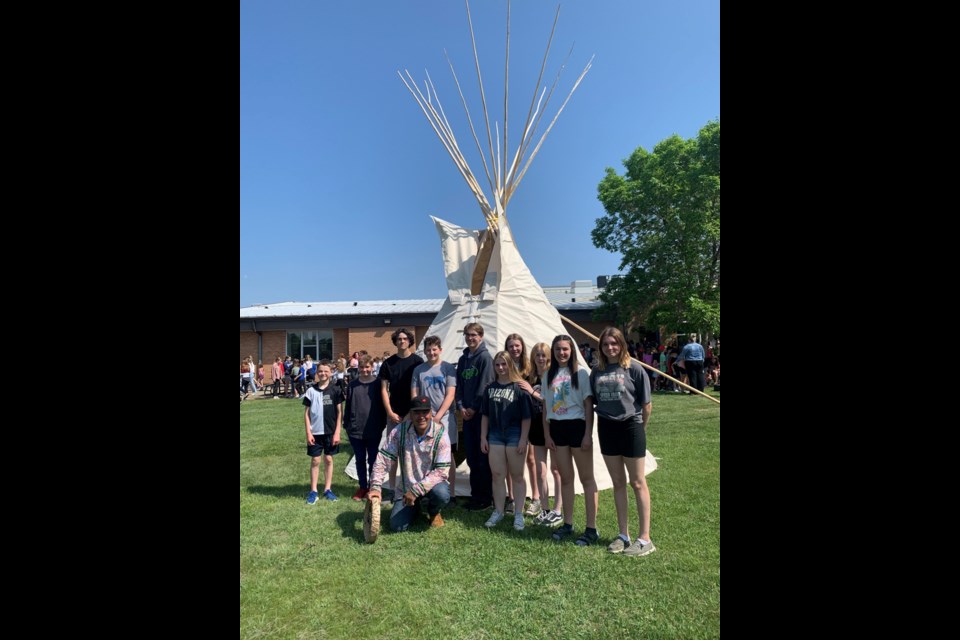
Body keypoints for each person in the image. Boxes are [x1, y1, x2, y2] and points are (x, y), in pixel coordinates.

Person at [591, 327, 656, 557]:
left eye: (614, 343)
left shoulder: (634, 368)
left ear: (622, 344)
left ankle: (645, 538)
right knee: (618, 482)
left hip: (631, 427)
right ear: (601, 347)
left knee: (637, 482)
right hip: (607, 427)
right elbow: (594, 401)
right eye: (606, 344)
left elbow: (646, 405)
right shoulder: (596, 372)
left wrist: (640, 428)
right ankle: (623, 535)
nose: (610, 348)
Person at [543, 334, 598, 545]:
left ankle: (591, 528)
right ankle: (567, 523)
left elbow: (588, 406)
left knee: (587, 479)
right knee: (566, 478)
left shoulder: (581, 374)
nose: (561, 353)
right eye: (557, 349)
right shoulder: (548, 374)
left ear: (571, 350)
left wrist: (587, 434)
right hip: (557, 428)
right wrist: (547, 434)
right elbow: (546, 407)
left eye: (565, 349)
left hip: (577, 426)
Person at [368, 395, 452, 531]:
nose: (421, 416)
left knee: (441, 493)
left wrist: (416, 490)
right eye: (416, 412)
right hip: (406, 489)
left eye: (425, 412)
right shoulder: (399, 432)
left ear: (431, 413)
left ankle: (433, 511)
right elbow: (383, 460)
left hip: (431, 487)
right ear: (410, 414)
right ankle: (416, 506)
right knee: (397, 527)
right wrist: (376, 487)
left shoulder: (441, 434)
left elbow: (441, 471)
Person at [479, 351, 532, 530]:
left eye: (504, 364)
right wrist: (482, 437)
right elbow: (485, 415)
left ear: (510, 365)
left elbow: (526, 417)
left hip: (515, 434)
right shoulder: (490, 388)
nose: (501, 368)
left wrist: (523, 439)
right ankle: (499, 511)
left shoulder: (519, 388)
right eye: (497, 365)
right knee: (497, 475)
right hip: (495, 434)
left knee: (517, 475)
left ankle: (518, 513)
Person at [379, 328, 425, 499]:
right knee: (393, 453)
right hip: (394, 415)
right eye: (399, 339)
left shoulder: (418, 362)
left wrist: (411, 414)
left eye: (405, 339)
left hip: (413, 415)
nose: (402, 341)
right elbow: (384, 390)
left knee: (413, 453)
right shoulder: (388, 364)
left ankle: (412, 487)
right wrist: (390, 411)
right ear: (395, 341)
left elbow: (420, 388)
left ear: (410, 341)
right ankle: (391, 489)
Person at [411, 336, 458, 498]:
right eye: (428, 350)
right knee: (426, 453)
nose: (431, 352)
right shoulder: (419, 370)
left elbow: (450, 394)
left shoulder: (448, 369)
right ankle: (426, 490)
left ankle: (450, 494)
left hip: (444, 417)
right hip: (424, 417)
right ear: (424, 351)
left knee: (447, 454)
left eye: (434, 349)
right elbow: (415, 393)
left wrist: (438, 416)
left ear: (440, 350)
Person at [456, 322, 496, 511]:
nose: (470, 338)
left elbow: (485, 385)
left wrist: (473, 407)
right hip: (467, 415)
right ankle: (475, 495)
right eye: (467, 334)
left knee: (482, 458)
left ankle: (485, 497)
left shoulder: (485, 358)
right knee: (472, 457)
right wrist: (461, 406)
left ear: (481, 336)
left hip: (480, 415)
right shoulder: (463, 359)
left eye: (474, 335)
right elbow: (459, 386)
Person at [529, 342, 563, 526]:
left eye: (544, 355)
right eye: (537, 355)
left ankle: (558, 509)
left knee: (556, 469)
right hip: (536, 426)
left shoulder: (554, 377)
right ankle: (545, 508)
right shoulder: (531, 377)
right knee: (541, 471)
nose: (541, 358)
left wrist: (532, 393)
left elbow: (553, 401)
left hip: (553, 426)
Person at [505, 333, 539, 517]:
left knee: (531, 459)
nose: (514, 349)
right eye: (511, 346)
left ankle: (535, 497)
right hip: (510, 418)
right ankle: (511, 497)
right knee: (511, 460)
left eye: (517, 345)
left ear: (522, 347)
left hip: (528, 416)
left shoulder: (529, 367)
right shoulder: (504, 367)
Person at [345, 355, 387, 501]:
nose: (365, 370)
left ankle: (373, 486)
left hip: (374, 428)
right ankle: (363, 486)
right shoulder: (352, 385)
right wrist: (347, 425)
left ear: (372, 367)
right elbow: (348, 406)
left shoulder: (378, 384)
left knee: (373, 460)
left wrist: (382, 424)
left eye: (367, 367)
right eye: (362, 367)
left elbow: (383, 406)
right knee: (360, 459)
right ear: (359, 368)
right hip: (355, 429)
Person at [304, 360, 344, 504]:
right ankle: (313, 491)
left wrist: (337, 432)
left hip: (331, 432)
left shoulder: (336, 390)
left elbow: (340, 413)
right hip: (315, 432)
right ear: (317, 373)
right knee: (315, 460)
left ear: (331, 372)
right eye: (320, 371)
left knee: (328, 459)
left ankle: (328, 489)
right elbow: (306, 414)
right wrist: (308, 432)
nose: (323, 373)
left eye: (326, 371)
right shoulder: (311, 391)